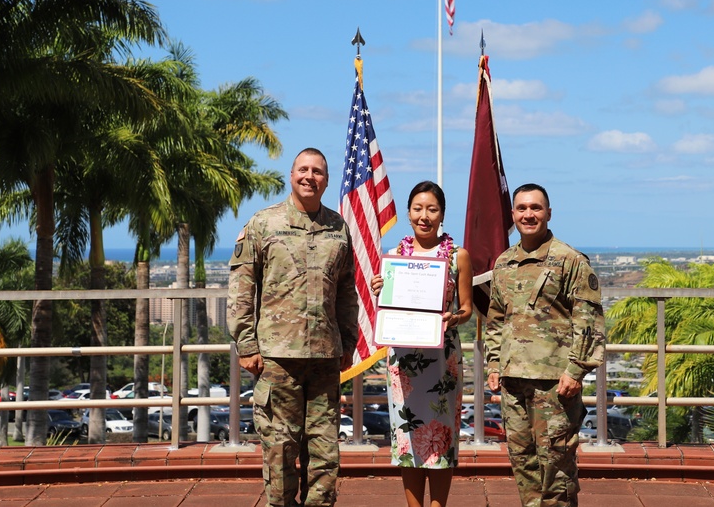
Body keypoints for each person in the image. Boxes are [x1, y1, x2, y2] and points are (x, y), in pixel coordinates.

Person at [228, 147, 359, 507]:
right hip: (277, 359)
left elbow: (347, 290)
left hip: (325, 359)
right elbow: (242, 287)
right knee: (280, 453)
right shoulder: (263, 224)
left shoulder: (338, 228)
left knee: (324, 457)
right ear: (291, 175)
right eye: (303, 169)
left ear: (326, 180)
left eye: (318, 171)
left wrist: (349, 341)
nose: (309, 177)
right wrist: (247, 344)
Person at [484, 183, 606, 507]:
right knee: (524, 465)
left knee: (556, 469)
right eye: (522, 208)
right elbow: (496, 319)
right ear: (513, 215)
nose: (529, 214)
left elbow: (589, 321)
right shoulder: (504, 263)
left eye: (536, 208)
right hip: (513, 381)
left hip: (555, 383)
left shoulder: (569, 260)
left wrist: (575, 371)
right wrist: (494, 364)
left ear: (549, 213)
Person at [369, 181, 473, 507]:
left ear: (442, 214)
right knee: (408, 441)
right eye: (418, 208)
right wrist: (379, 288)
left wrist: (455, 318)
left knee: (439, 439)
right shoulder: (395, 257)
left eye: (432, 209)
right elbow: (388, 306)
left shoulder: (458, 256)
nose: (424, 216)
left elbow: (467, 308)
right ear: (408, 212)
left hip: (441, 363)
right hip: (404, 364)